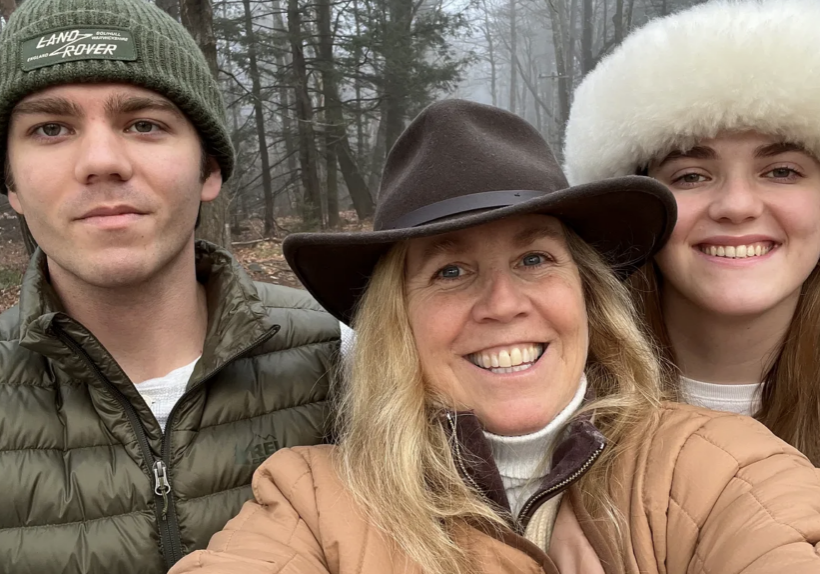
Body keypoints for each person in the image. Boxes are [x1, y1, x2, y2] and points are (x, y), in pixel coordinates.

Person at [168, 100, 820, 574]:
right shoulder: (312, 499)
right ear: (400, 322)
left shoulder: (715, 465)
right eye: (452, 271)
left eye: (535, 259)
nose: (503, 304)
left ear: (589, 298)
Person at [0, 0, 339, 572]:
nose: (102, 161)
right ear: (10, 184)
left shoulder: (349, 358)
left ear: (209, 170)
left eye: (144, 124)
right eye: (50, 128)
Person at [563, 0, 820, 465]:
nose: (737, 206)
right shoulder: (556, 406)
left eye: (781, 171)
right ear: (636, 208)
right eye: (691, 176)